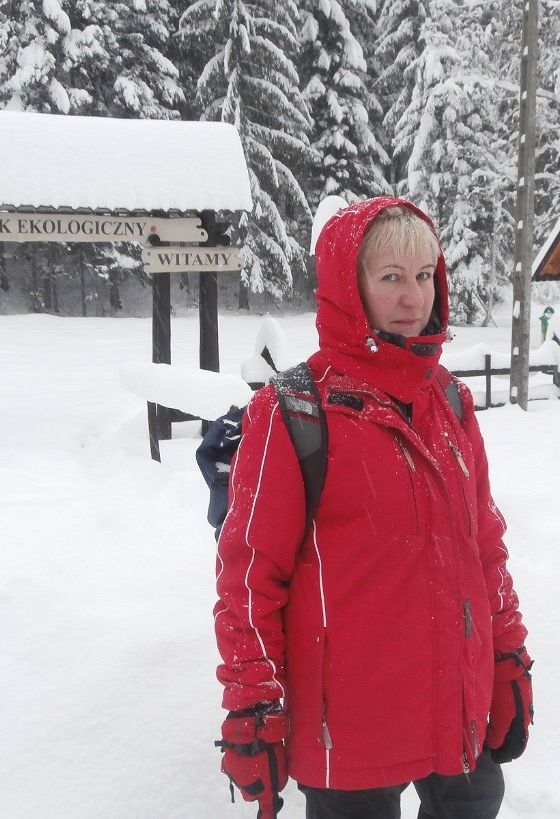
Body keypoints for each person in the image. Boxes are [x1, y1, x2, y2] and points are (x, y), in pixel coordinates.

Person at [214, 197, 533, 819]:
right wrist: (254, 702)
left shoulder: (451, 402)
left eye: (424, 276)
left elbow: (484, 550)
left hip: (457, 706)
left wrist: (507, 654)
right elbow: (251, 580)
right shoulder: (292, 412)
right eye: (391, 277)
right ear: (348, 288)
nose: (414, 298)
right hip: (350, 729)